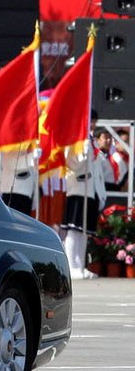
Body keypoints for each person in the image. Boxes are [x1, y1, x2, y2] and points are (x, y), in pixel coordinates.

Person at [62, 111, 106, 280]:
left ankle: (80, 265)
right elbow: (70, 164)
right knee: (73, 230)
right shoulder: (75, 139)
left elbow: (97, 171)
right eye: (91, 121)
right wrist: (83, 152)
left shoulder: (91, 141)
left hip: (90, 191)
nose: (93, 124)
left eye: (94, 121)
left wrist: (100, 194)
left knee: (84, 232)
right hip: (77, 189)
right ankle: (71, 266)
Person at [0, 149, 37, 214]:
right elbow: (10, 162)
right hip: (14, 192)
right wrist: (31, 157)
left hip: (27, 194)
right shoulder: (11, 145)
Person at [94, 128, 121, 192]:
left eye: (110, 138)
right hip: (103, 190)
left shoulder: (110, 157)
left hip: (113, 189)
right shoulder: (96, 157)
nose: (109, 140)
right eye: (105, 138)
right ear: (97, 140)